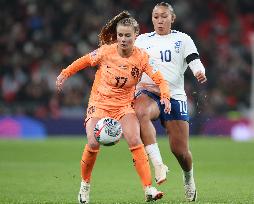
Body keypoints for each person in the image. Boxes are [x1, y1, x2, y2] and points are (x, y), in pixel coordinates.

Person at [56, 11, 171, 204]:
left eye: (128, 35)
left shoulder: (142, 57)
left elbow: (159, 78)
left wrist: (165, 96)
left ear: (136, 36)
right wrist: (65, 74)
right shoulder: (105, 52)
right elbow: (84, 61)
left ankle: (148, 189)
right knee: (93, 143)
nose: (123, 39)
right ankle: (85, 185)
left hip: (124, 106)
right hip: (99, 104)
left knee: (135, 139)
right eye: (120, 35)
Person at [134, 2, 207, 202]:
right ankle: (158, 164)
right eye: (156, 16)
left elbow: (194, 60)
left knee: (180, 151)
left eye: (164, 16)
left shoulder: (182, 39)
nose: (159, 20)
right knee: (140, 111)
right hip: (148, 92)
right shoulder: (141, 40)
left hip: (174, 96)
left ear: (172, 18)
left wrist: (199, 71)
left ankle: (188, 178)